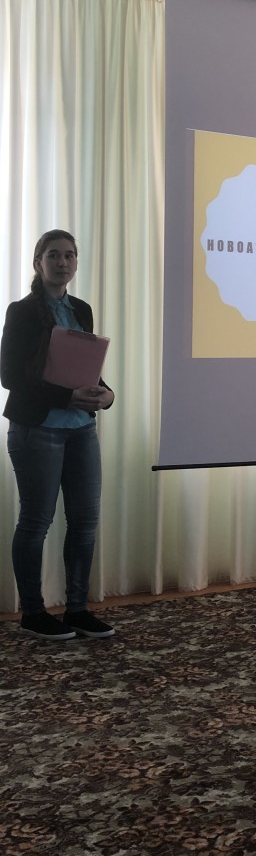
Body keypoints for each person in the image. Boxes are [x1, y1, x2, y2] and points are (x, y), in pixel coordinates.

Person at [1, 230, 115, 641]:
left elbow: (85, 369)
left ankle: (77, 610)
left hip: (81, 430)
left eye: (69, 255)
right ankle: (33, 613)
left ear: (76, 262)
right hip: (37, 430)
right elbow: (10, 376)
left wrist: (107, 394)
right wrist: (67, 397)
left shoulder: (80, 309)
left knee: (85, 522)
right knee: (36, 522)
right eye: (53, 255)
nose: (62, 262)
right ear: (38, 263)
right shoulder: (22, 311)